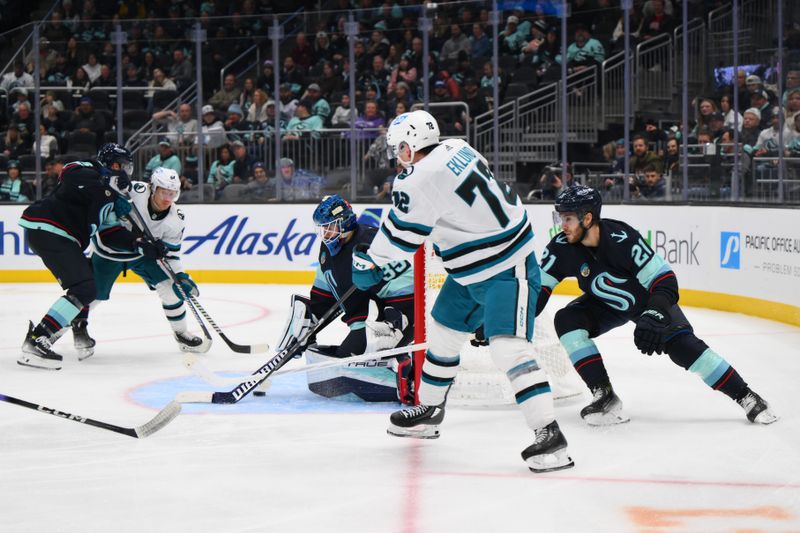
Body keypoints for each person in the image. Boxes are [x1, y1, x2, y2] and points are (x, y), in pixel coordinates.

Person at [351, 110, 573, 473]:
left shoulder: (417, 178)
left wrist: (370, 262)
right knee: (442, 335)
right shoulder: (458, 146)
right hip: (471, 267)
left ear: (409, 147)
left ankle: (550, 434)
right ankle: (430, 412)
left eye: (398, 150)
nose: (396, 158)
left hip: (506, 267)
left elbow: (401, 237)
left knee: (508, 349)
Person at [536, 185, 777, 427]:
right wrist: (513, 320)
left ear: (587, 218)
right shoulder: (560, 247)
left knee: (683, 347)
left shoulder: (622, 239)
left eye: (567, 218)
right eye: (560, 217)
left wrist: (654, 313)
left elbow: (665, 281)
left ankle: (747, 396)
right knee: (567, 319)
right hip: (604, 304)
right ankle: (604, 395)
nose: (561, 225)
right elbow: (538, 291)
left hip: (648, 302)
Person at [17, 143, 166, 369]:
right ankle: (37, 340)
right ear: (114, 164)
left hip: (61, 237)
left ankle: (78, 327)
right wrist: (107, 188)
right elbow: (70, 175)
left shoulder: (111, 195)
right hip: (49, 229)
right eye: (124, 166)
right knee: (85, 288)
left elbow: (110, 232)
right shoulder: (88, 169)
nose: (127, 172)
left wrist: (139, 243)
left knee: (87, 282)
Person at [262, 195, 415, 403]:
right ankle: (395, 361)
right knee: (339, 369)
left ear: (344, 223)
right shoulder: (327, 251)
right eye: (322, 229)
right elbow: (323, 294)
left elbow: (405, 279)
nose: (325, 234)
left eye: (329, 228)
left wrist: (395, 317)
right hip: (366, 321)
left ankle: (410, 375)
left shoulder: (370, 243)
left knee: (349, 370)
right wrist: (304, 326)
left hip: (396, 317)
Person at [84, 167, 210, 356]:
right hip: (111, 253)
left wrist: (181, 277)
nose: (168, 199)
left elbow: (172, 256)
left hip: (142, 256)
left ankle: (181, 333)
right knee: (92, 295)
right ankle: (56, 332)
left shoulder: (176, 219)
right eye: (164, 193)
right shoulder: (133, 191)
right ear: (153, 188)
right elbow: (104, 196)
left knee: (170, 287)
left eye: (173, 194)